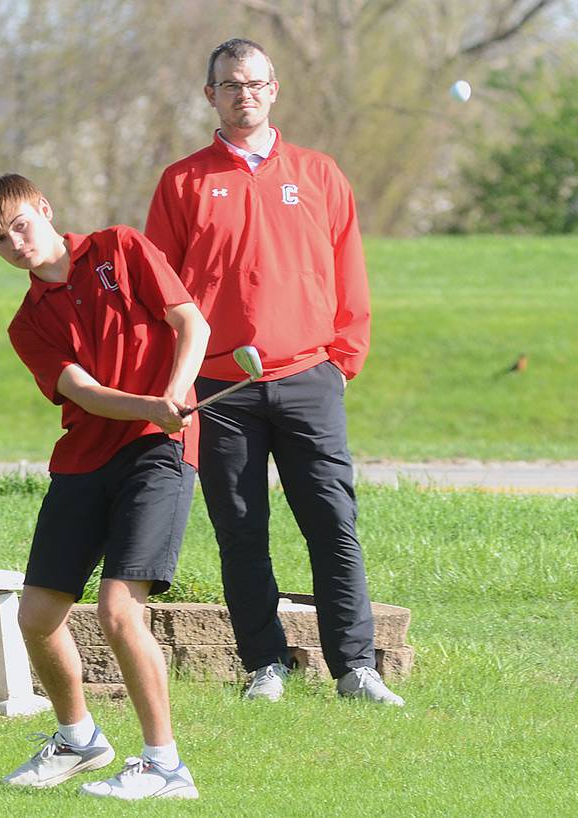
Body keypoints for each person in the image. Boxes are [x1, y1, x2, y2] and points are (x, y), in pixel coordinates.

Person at [146, 38, 404, 706]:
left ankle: (355, 667)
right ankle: (265, 664)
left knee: (332, 521)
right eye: (230, 85)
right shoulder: (183, 182)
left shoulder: (318, 173)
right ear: (211, 95)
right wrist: (174, 380)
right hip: (219, 389)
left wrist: (342, 360)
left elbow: (350, 270)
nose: (244, 94)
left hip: (308, 375)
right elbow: (160, 294)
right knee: (241, 530)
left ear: (274, 89)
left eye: (255, 83)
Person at [0, 173, 209, 800]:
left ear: (44, 208)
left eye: (20, 224)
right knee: (37, 616)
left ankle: (165, 766)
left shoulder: (120, 248)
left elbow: (191, 323)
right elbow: (84, 393)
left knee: (119, 610)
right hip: (82, 460)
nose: (15, 243)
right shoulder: (27, 324)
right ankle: (79, 739)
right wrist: (148, 403)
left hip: (159, 452)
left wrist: (175, 394)